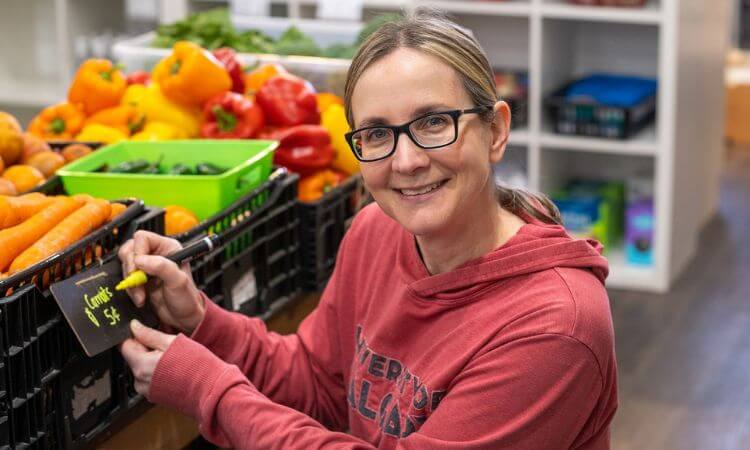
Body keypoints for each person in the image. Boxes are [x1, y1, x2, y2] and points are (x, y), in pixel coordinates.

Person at [119, 8, 617, 449]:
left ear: (497, 130)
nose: (406, 160)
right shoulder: (376, 229)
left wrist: (213, 391)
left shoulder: (555, 325)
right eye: (377, 133)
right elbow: (320, 383)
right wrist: (201, 319)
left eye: (434, 122)